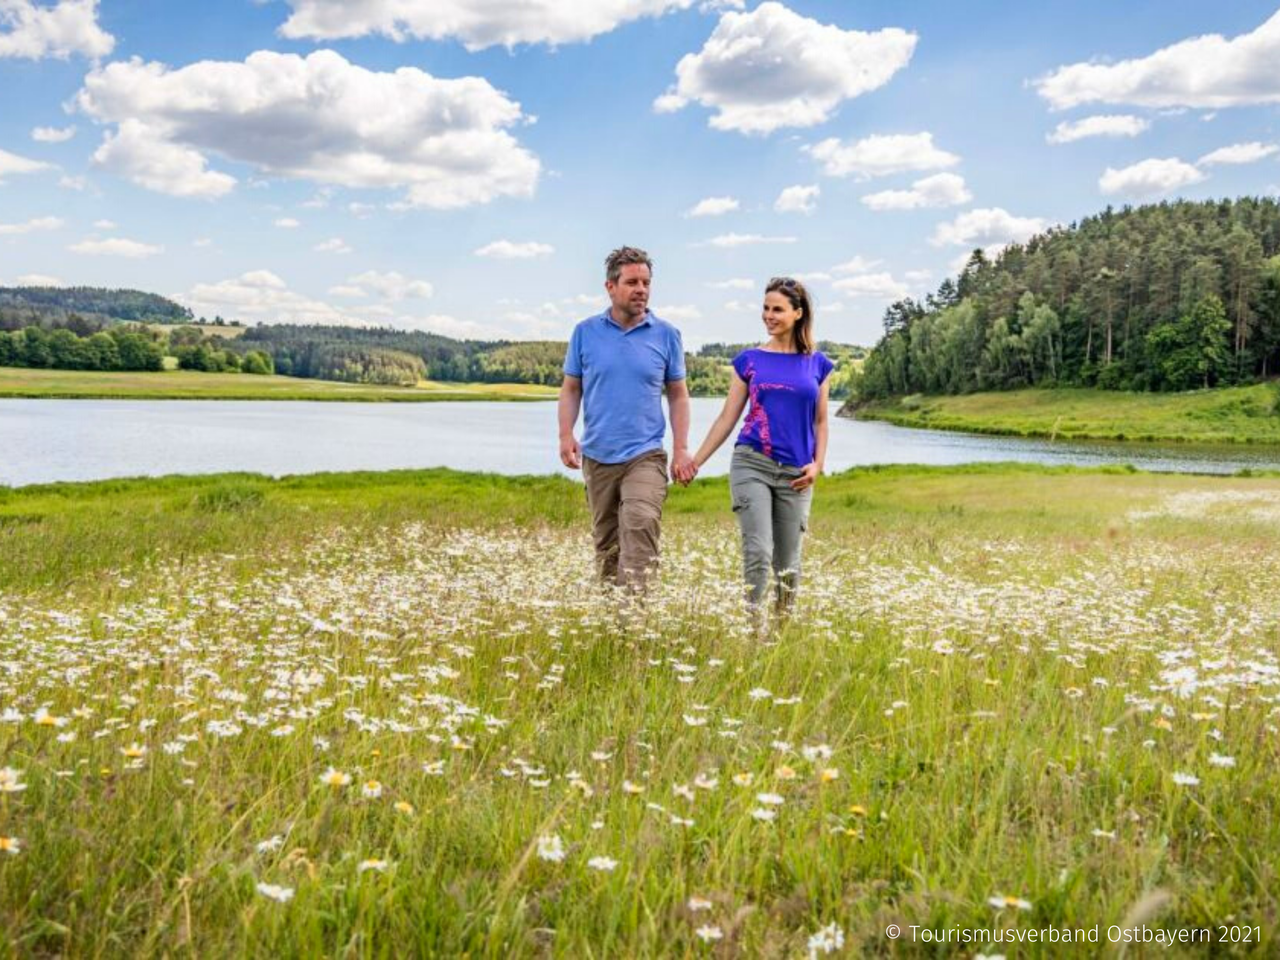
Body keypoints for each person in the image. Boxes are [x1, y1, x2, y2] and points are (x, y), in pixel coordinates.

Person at [678, 277, 831, 616]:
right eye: (765, 308)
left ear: (798, 313)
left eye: (778, 309)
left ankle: (781, 634)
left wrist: (817, 465)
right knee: (758, 554)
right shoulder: (749, 361)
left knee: (788, 564)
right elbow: (726, 419)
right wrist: (695, 462)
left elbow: (821, 422)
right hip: (752, 464)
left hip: (797, 474)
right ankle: (753, 632)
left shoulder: (817, 364)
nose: (769, 315)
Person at [559, 246, 694, 590]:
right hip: (598, 455)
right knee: (607, 546)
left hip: (645, 454)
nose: (642, 290)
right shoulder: (585, 333)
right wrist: (566, 435)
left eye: (646, 282)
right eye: (632, 282)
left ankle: (634, 623)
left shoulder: (666, 335)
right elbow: (572, 388)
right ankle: (610, 628)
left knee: (640, 521)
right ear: (610, 286)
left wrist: (681, 449)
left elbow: (678, 394)